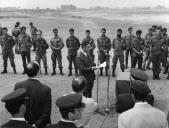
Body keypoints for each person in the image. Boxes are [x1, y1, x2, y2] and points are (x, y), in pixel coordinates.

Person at [14, 61, 52, 128]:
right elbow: (46, 113)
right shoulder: (46, 89)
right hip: (39, 125)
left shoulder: (18, 85)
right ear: (38, 72)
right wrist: (35, 125)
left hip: (23, 125)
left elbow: (15, 107)